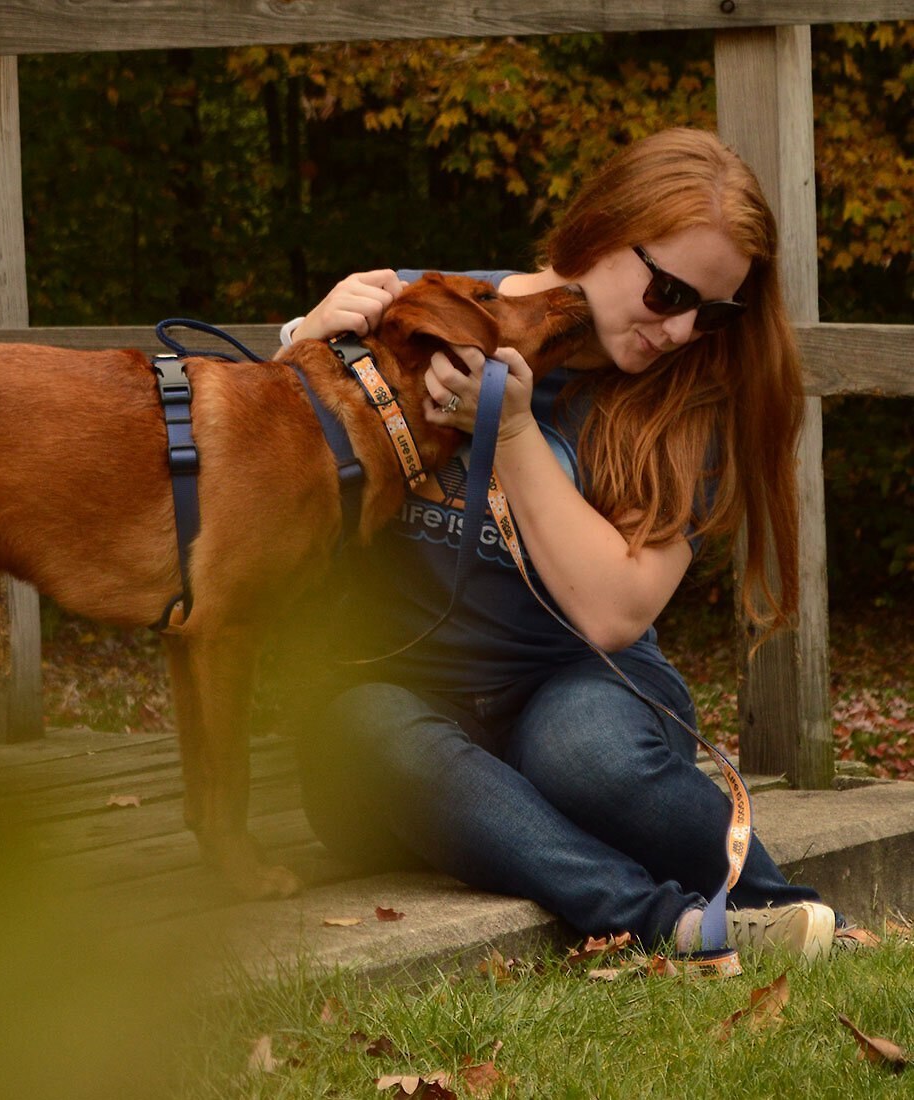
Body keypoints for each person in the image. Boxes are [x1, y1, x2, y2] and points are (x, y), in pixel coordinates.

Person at [279, 127, 835, 963]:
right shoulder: (436, 311)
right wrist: (301, 348)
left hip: (584, 684)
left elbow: (614, 614)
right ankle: (670, 921)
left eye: (712, 312)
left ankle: (773, 905)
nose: (683, 332)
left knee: (581, 752)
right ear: (604, 231)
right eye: (669, 292)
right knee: (359, 727)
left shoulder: (691, 399)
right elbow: (261, 495)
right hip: (404, 699)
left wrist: (509, 434)